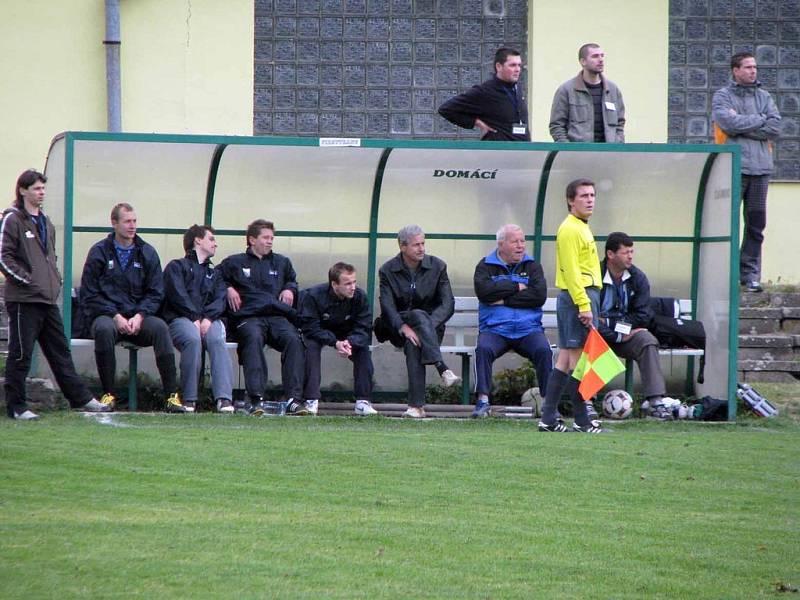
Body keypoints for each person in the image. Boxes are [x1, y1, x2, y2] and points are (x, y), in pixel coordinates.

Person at [0, 169, 111, 420]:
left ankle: (81, 399)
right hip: (24, 301)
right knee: (20, 354)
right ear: (23, 190)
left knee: (60, 351)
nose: (42, 193)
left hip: (47, 300)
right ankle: (17, 407)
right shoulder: (13, 219)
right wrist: (27, 281)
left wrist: (55, 280)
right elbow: (3, 257)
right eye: (37, 188)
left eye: (43, 188)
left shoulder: (46, 222)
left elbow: (51, 257)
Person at [79, 203, 180, 411]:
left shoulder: (147, 252)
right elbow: (89, 294)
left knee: (160, 328)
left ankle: (171, 397)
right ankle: (108, 395)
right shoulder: (99, 252)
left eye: (134, 221)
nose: (132, 226)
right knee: (104, 329)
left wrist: (141, 315)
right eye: (127, 221)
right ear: (114, 223)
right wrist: (115, 315)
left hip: (138, 319)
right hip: (109, 317)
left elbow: (156, 292)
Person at [219, 219, 306, 415]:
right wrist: (228, 288)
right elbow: (216, 278)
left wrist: (290, 289)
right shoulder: (234, 262)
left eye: (272, 238)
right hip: (248, 318)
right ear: (251, 240)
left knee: (294, 339)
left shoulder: (282, 262)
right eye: (265, 238)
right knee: (253, 338)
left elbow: (293, 281)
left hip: (277, 317)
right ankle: (256, 399)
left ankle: (293, 399)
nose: (270, 242)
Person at [712, 52, 781, 293]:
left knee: (755, 224)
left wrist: (744, 122)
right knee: (727, 222)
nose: (753, 71)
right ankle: (725, 273)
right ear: (735, 70)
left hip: (761, 170)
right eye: (748, 67)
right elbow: (727, 124)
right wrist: (759, 120)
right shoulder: (723, 96)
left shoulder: (764, 96)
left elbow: (775, 126)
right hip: (735, 167)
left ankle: (749, 274)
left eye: (755, 67)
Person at [538, 179, 603, 433]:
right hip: (579, 298)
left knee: (565, 359)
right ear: (570, 200)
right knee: (580, 361)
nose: (590, 200)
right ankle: (581, 419)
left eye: (592, 195)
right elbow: (572, 271)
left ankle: (548, 419)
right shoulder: (570, 229)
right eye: (584, 195)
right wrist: (584, 304)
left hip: (581, 297)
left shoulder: (580, 227)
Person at [375, 225, 459, 418]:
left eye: (423, 243)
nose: (421, 248)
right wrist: (403, 327)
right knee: (417, 318)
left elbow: (448, 304)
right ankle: (442, 368)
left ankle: (415, 407)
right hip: (397, 327)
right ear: (402, 247)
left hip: (431, 328)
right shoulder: (387, 270)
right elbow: (387, 307)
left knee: (414, 343)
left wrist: (425, 327)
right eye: (416, 245)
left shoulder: (438, 267)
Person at [472, 224, 552, 418]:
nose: (521, 246)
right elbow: (485, 293)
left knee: (544, 350)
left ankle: (550, 405)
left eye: (523, 241)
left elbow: (538, 296)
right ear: (501, 244)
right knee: (483, 349)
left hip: (528, 330)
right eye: (515, 241)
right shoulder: (485, 266)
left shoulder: (532, 266)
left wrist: (503, 299)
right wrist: (517, 286)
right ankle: (483, 401)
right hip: (495, 330)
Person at [598, 232, 678, 421]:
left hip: (627, 334)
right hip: (599, 335)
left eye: (632, 252)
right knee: (587, 337)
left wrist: (617, 328)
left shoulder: (638, 277)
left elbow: (642, 316)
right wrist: (615, 331)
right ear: (610, 254)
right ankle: (585, 400)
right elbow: (591, 318)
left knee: (647, 340)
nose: (631, 256)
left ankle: (655, 401)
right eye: (626, 252)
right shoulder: (595, 274)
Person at [162, 225, 233, 414]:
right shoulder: (176, 266)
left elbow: (220, 299)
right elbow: (177, 295)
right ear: (198, 240)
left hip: (209, 320)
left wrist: (208, 319)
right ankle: (190, 399)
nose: (215, 244)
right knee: (192, 339)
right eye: (211, 239)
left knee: (217, 339)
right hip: (180, 319)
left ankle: (224, 399)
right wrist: (193, 317)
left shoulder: (215, 273)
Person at [299, 262, 377, 416]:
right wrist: (335, 343)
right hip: (320, 332)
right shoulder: (313, 296)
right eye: (347, 283)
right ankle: (311, 400)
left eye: (354, 282)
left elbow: (364, 327)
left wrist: (350, 342)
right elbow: (310, 327)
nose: (353, 287)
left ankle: (363, 402)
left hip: (347, 335)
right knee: (310, 346)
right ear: (334, 284)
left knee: (363, 349)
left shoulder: (360, 297)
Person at [437, 47, 530, 141]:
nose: (517, 69)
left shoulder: (517, 87)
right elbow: (446, 109)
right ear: (499, 66)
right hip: (499, 151)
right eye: (513, 65)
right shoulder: (485, 91)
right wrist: (475, 122)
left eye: (519, 65)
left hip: (522, 150)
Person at [549, 43, 625, 143]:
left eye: (602, 56)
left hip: (609, 154)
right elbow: (557, 125)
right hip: (577, 155)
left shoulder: (613, 90)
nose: (601, 60)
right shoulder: (566, 90)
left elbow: (620, 123)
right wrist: (568, 149)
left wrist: (617, 144)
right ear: (583, 61)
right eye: (595, 56)